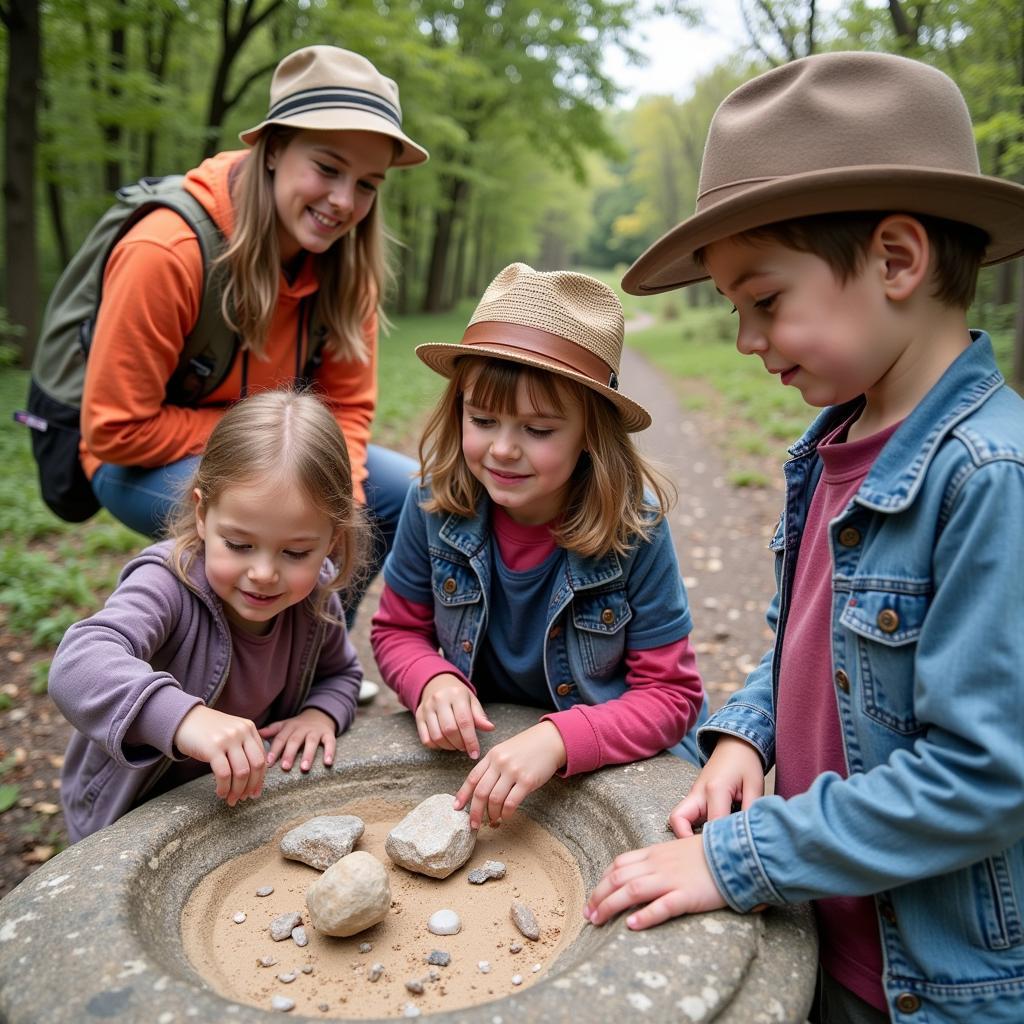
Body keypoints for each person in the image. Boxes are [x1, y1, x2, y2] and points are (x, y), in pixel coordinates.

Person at [584, 51, 1024, 1024]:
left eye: (765, 300)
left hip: (938, 987)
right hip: (837, 930)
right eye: (733, 309)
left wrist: (735, 856)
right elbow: (808, 632)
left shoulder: (990, 481)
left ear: (897, 261)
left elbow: (981, 778)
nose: (746, 338)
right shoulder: (829, 447)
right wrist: (751, 730)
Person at [79, 44, 427, 620]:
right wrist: (267, 446)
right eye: (327, 167)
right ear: (273, 149)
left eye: (368, 183)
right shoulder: (166, 250)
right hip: (137, 464)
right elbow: (116, 429)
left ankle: (314, 647)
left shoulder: (348, 269)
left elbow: (348, 409)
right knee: (274, 507)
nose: (344, 202)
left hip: (282, 448)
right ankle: (225, 665)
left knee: (408, 492)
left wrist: (342, 506)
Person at [370, 263, 709, 830]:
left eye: (539, 430)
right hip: (485, 737)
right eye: (482, 419)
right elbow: (396, 630)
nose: (502, 449)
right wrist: (430, 677)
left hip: (604, 740)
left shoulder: (635, 529)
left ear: (590, 436)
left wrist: (560, 737)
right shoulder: (432, 503)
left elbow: (671, 696)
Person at [50, 390, 367, 842]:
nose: (263, 574)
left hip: (233, 806)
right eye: (238, 545)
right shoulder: (167, 582)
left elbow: (341, 675)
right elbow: (77, 663)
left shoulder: (315, 598)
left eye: (296, 552)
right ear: (202, 514)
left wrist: (320, 714)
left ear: (331, 539)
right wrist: (182, 719)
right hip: (126, 815)